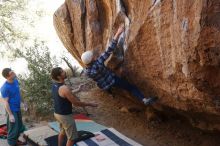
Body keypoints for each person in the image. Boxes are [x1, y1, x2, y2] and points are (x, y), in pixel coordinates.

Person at [81, 25, 158, 105]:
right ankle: (144, 99)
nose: (94, 56)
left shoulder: (87, 72)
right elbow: (109, 50)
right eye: (92, 56)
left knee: (109, 84)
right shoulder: (99, 62)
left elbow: (86, 71)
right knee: (131, 87)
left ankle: (111, 93)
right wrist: (118, 33)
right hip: (113, 80)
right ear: (92, 59)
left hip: (104, 86)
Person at [51, 67, 97, 146]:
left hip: (57, 113)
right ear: (58, 76)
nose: (64, 72)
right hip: (65, 116)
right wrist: (90, 104)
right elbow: (76, 103)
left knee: (63, 131)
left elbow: (65, 94)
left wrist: (78, 89)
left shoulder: (55, 85)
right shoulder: (64, 88)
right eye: (62, 71)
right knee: (72, 138)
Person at [0, 68, 27, 146]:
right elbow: (5, 102)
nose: (14, 73)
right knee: (13, 129)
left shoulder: (15, 81)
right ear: (8, 77)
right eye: (11, 73)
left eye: (12, 71)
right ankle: (12, 143)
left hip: (18, 107)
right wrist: (10, 115)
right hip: (12, 110)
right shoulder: (4, 88)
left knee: (19, 126)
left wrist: (23, 102)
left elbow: (18, 93)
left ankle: (16, 140)